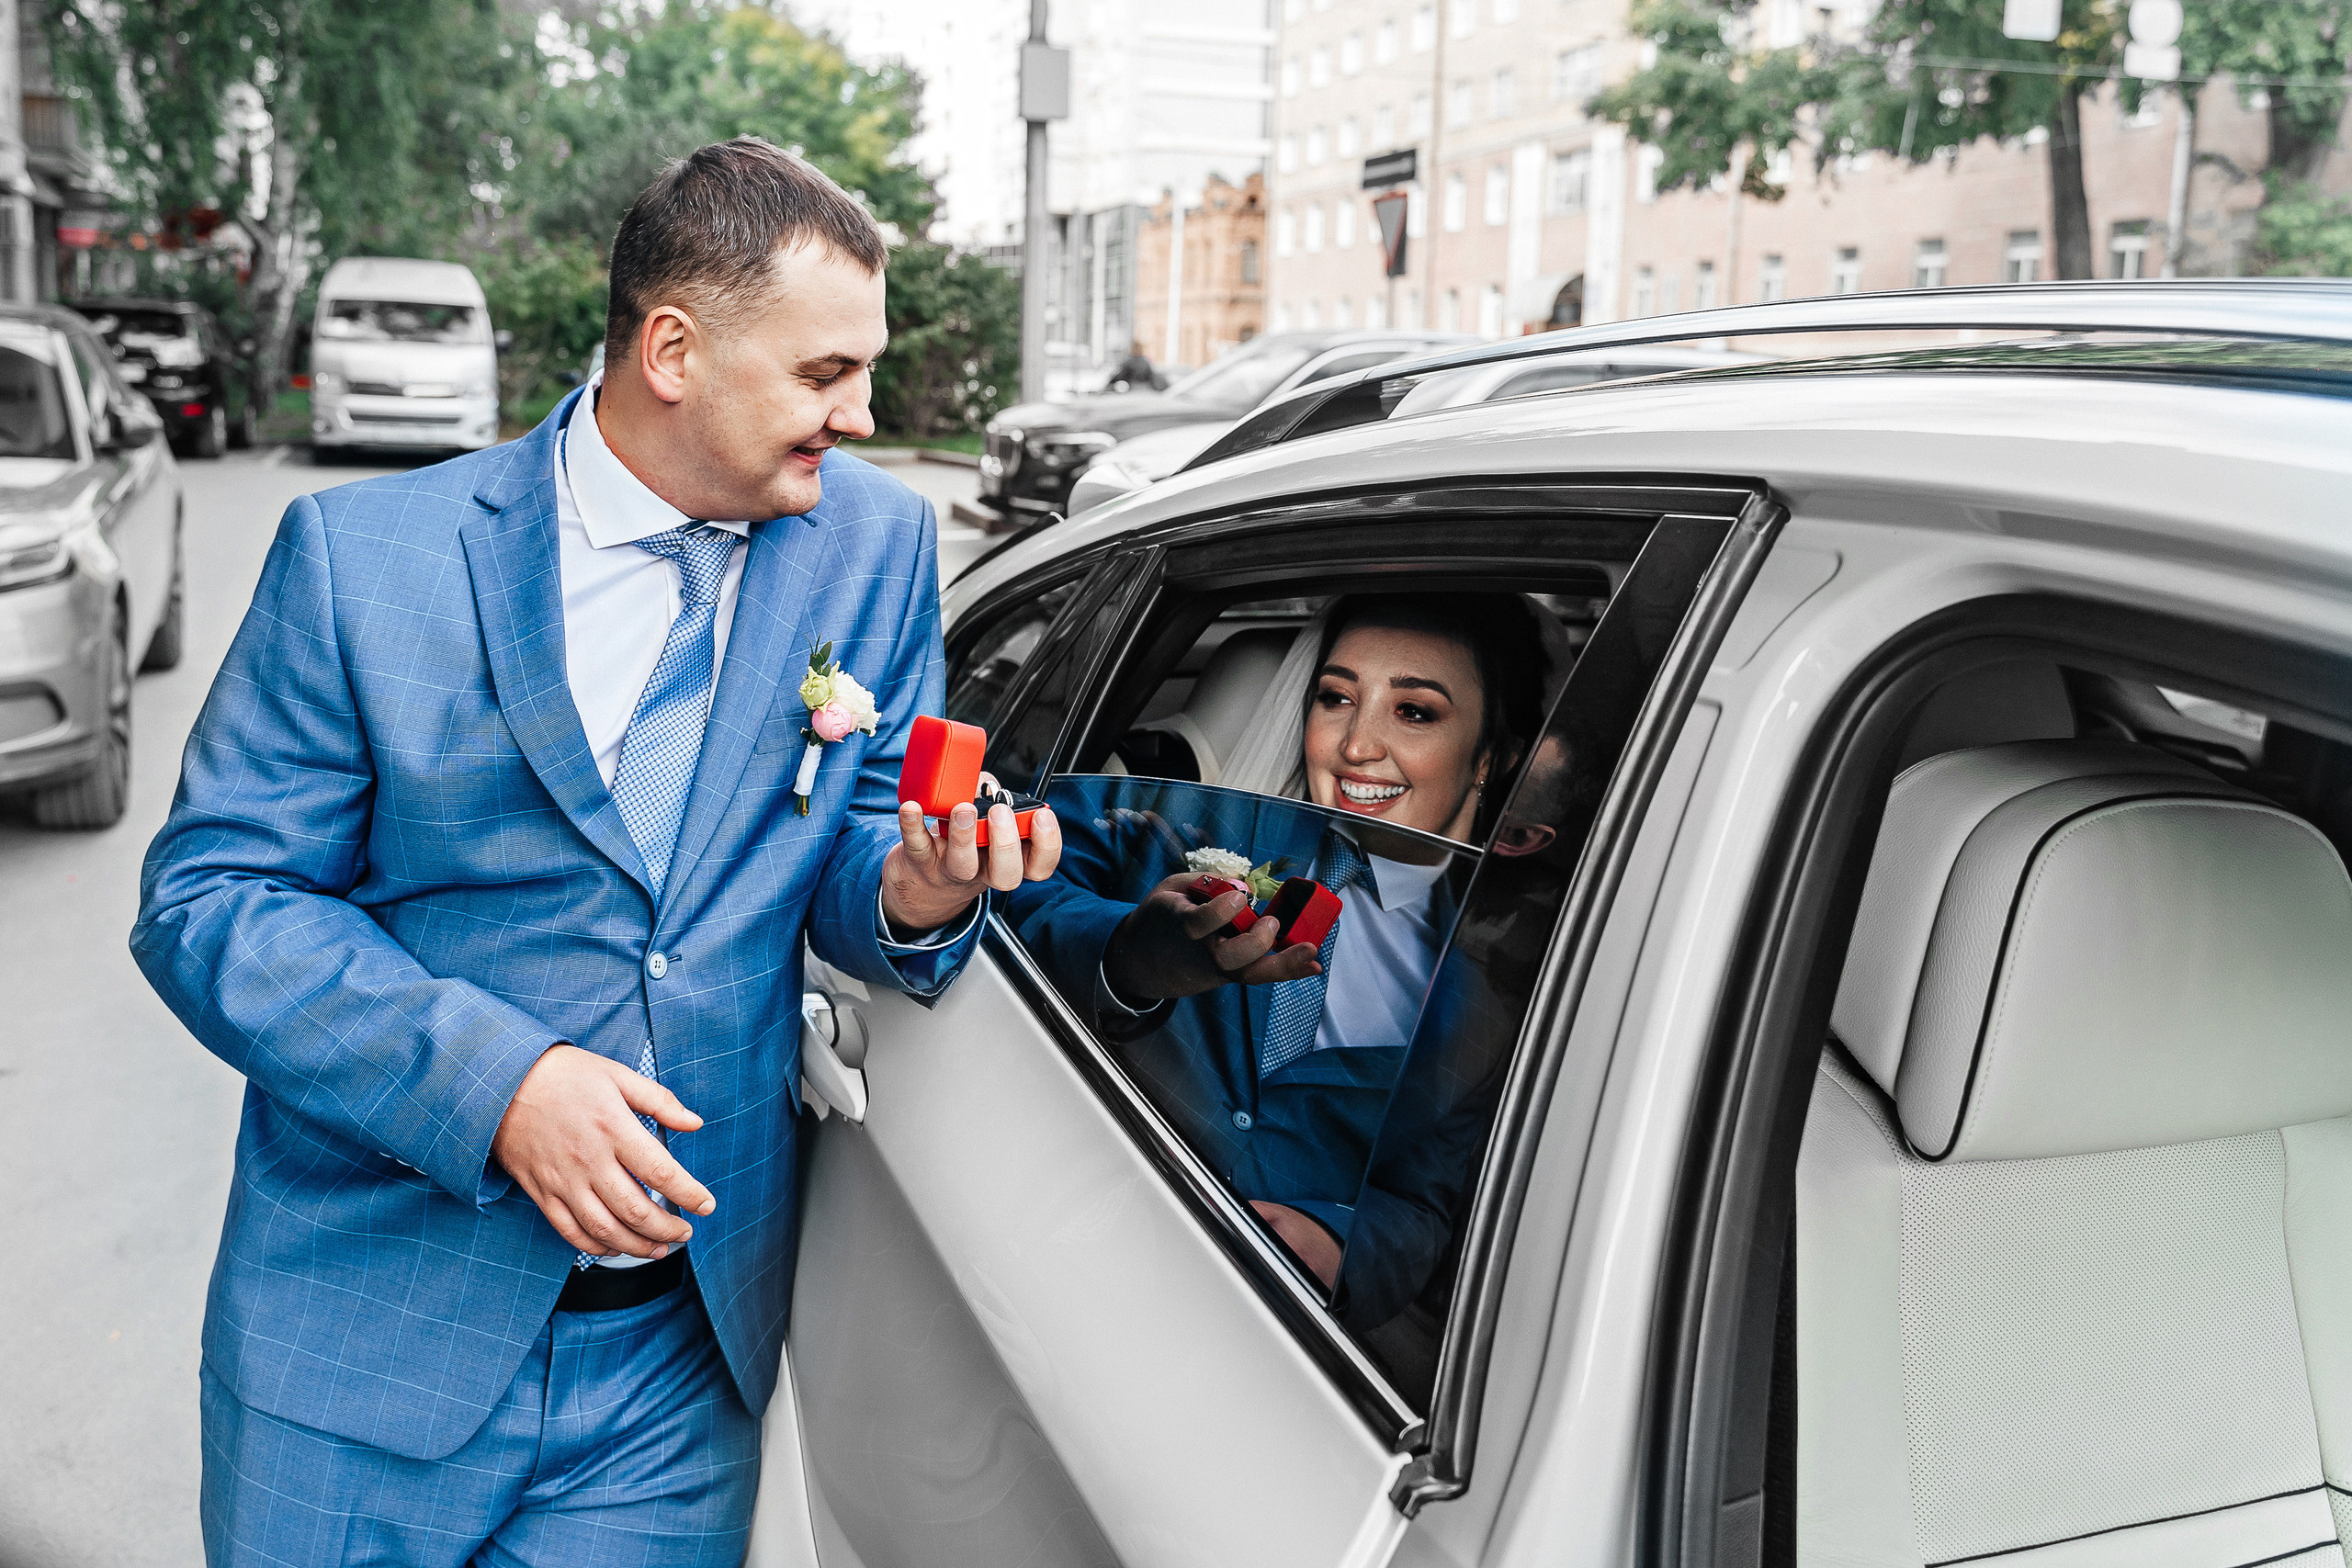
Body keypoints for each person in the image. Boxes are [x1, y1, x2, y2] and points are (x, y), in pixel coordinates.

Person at [130, 138, 1061, 1564]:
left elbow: (851, 834)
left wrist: (911, 887)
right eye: (825, 375)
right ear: (674, 349)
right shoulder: (361, 559)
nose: (864, 415)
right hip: (365, 1339)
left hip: (674, 1364)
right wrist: (497, 1084)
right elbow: (213, 901)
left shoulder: (874, 548)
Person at [1007, 593, 1546, 1287]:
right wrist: (1126, 955)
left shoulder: (1493, 991)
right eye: (1335, 697)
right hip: (1047, 1229)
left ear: (1490, 757)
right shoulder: (1178, 817)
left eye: (1414, 711)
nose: (1355, 746)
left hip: (1265, 1329)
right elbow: (1011, 875)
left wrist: (1338, 1245)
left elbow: (1422, 1207)